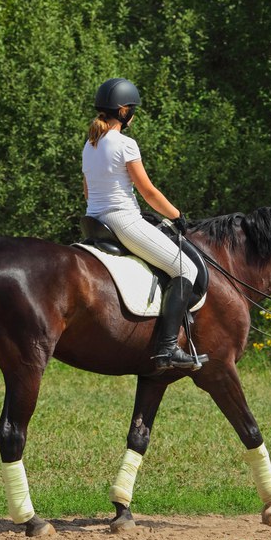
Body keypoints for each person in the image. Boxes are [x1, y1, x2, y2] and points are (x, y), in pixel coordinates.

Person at [82, 77, 208, 370]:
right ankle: (167, 349)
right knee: (185, 268)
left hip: (94, 221)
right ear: (124, 111)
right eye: (133, 110)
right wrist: (176, 215)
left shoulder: (90, 144)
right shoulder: (125, 144)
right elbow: (148, 191)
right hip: (122, 219)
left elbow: (88, 191)